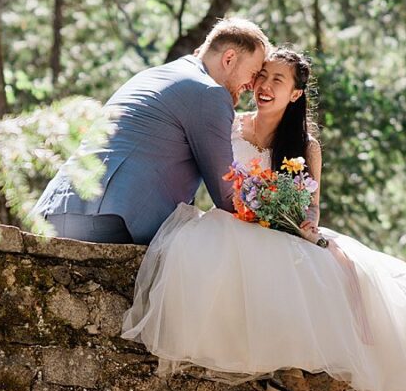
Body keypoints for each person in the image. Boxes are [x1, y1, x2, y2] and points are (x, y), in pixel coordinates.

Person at [121, 48, 406, 391]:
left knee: (332, 268)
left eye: (278, 80)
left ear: (295, 94)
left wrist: (299, 224)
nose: (265, 85)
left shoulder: (306, 147)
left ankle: (293, 365)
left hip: (281, 228)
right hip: (230, 223)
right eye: (262, 76)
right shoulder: (229, 125)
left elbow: (311, 207)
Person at [33, 19, 269, 244]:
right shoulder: (209, 93)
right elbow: (227, 195)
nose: (252, 86)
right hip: (108, 217)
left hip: (54, 209)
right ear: (229, 58)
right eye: (253, 73)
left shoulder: (156, 74)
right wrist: (278, 217)